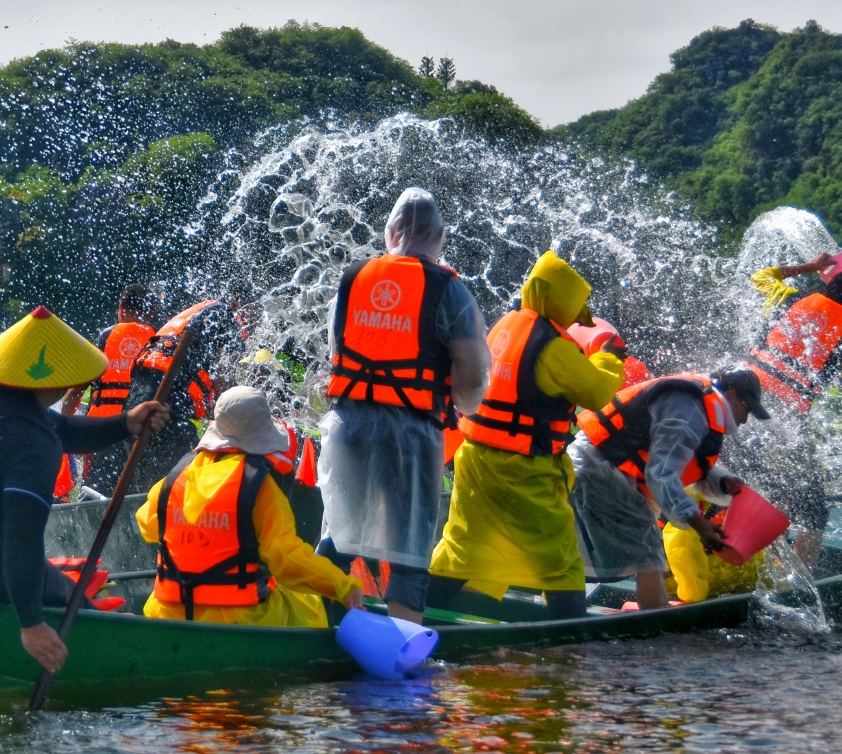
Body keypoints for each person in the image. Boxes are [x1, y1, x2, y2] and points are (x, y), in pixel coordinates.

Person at [0, 306, 169, 674]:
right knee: (78, 607)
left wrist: (125, 424)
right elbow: (21, 540)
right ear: (60, 380)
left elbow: (60, 429)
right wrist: (31, 626)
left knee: (48, 582)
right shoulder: (31, 442)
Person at [318, 187, 490, 624]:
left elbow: (337, 350)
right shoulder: (450, 290)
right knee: (409, 549)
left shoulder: (352, 277)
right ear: (441, 236)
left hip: (346, 425)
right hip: (412, 431)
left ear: (390, 232)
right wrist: (462, 407)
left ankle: (310, 630)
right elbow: (472, 374)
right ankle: (400, 656)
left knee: (339, 536)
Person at [427, 251, 625, 620]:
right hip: (524, 468)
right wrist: (608, 358)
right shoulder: (553, 346)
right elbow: (597, 394)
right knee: (560, 561)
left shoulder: (506, 323)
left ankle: (417, 614)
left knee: (463, 547)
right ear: (560, 300)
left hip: (476, 459)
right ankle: (569, 639)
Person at [137, 386, 363, 627]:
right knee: (309, 605)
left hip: (167, 613)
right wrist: (344, 586)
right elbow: (285, 558)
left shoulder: (174, 479)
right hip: (240, 618)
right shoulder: (259, 486)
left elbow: (148, 527)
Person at [567, 368, 768, 609]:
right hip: (600, 469)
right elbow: (661, 473)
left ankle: (568, 609)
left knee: (637, 552)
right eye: (746, 408)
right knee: (648, 554)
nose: (745, 419)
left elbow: (684, 464)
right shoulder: (689, 409)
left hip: (611, 471)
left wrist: (723, 482)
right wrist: (695, 520)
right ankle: (654, 620)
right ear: (732, 395)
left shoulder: (702, 406)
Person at [740, 252, 842, 564]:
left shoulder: (790, 297)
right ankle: (796, 581)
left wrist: (811, 267)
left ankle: (756, 560)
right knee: (813, 509)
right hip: (781, 421)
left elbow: (760, 276)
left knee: (761, 488)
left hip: (737, 404)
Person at [124, 297, 244, 491]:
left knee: (148, 486)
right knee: (179, 483)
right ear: (241, 306)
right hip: (164, 410)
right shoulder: (228, 320)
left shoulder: (199, 312)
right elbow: (225, 385)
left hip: (137, 406)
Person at [61, 284, 159, 495]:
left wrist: (63, 424)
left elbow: (76, 391)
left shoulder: (106, 337)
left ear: (122, 309)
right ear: (150, 312)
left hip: (102, 431)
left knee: (95, 496)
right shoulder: (158, 341)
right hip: (141, 432)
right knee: (138, 494)